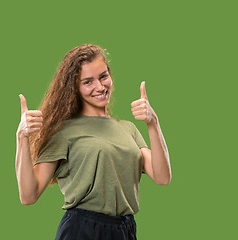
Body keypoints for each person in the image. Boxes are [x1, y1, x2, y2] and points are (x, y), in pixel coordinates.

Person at [15, 44, 171, 240]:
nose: (99, 87)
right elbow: (29, 195)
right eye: (88, 82)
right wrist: (22, 138)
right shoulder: (64, 131)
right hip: (82, 230)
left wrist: (153, 123)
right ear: (75, 87)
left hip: (125, 229)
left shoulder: (127, 128)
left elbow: (162, 177)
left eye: (103, 76)